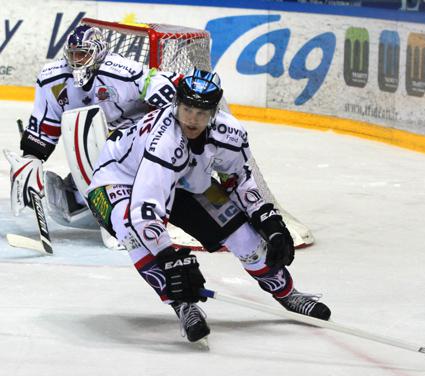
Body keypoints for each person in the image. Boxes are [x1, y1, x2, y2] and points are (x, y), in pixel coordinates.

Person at [86, 68, 331, 343]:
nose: (192, 119)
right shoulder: (164, 142)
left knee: (241, 233)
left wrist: (268, 219)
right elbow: (144, 211)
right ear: (176, 104)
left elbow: (241, 178)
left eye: (202, 113)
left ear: (214, 113)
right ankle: (184, 306)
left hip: (185, 181)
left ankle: (288, 294)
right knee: (136, 235)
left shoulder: (230, 134)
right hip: (117, 181)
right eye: (187, 109)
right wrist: (169, 257)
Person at [4, 24, 178, 229]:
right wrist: (32, 158)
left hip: (131, 131)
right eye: (73, 55)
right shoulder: (52, 78)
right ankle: (78, 193)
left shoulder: (121, 71)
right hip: (96, 137)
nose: (77, 61)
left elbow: (160, 81)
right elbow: (45, 126)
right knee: (81, 125)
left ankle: (127, 198)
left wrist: (161, 93)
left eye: (83, 55)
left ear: (99, 53)